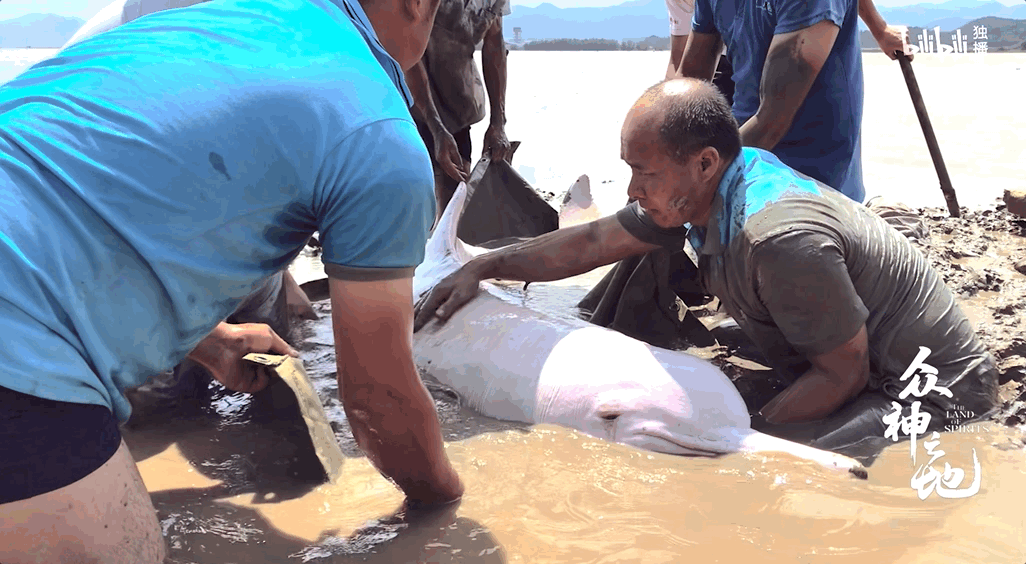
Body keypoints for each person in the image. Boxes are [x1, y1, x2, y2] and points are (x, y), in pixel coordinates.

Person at [0, 0, 464, 562]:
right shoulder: (379, 129)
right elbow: (376, 397)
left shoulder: (209, 22)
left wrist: (213, 343)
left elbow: (85, 201)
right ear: (416, 5)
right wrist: (444, 504)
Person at [414, 78, 998, 456]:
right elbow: (587, 244)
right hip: (847, 352)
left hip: (930, 393)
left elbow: (843, 375)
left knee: (748, 464)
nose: (634, 189)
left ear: (704, 162)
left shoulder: (778, 238)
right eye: (629, 170)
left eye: (645, 172)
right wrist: (482, 267)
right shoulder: (701, 189)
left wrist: (753, 431)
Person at [674, 0, 910, 204]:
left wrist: (693, 184)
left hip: (811, 179)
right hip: (741, 145)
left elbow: (771, 121)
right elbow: (690, 79)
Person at [404, 0, 514, 224]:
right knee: (412, 201)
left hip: (458, 99)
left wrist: (498, 123)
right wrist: (436, 128)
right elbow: (407, 51)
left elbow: (495, 44)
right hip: (405, 97)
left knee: (455, 197)